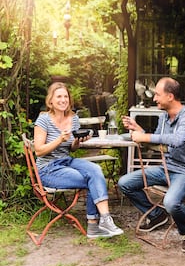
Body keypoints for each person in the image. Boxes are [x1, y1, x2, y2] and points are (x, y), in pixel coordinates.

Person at [118, 77, 185, 253]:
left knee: (170, 202)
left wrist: (145, 137)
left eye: (157, 94)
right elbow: (158, 144)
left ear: (170, 96)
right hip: (166, 168)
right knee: (125, 183)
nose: (154, 98)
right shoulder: (163, 117)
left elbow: (176, 140)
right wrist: (138, 129)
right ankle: (157, 216)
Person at [34, 82, 124, 239]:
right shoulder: (44, 120)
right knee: (91, 179)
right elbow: (39, 150)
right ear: (51, 101)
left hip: (67, 161)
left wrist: (78, 141)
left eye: (66, 96)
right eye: (59, 97)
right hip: (48, 168)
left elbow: (72, 149)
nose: (63, 100)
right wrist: (60, 139)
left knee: (96, 170)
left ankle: (105, 219)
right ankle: (94, 225)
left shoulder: (73, 118)